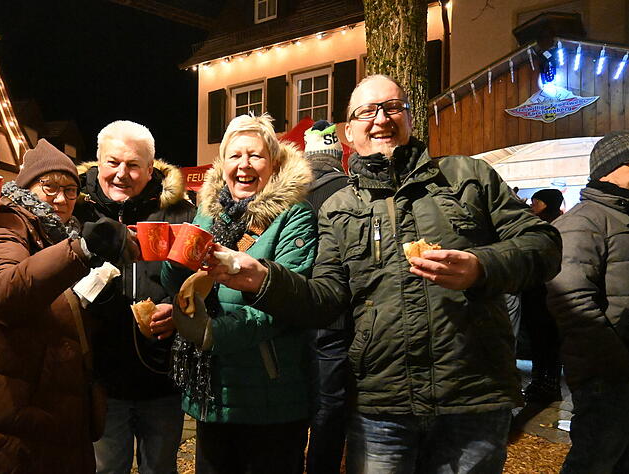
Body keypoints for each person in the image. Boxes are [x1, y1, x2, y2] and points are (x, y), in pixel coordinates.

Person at [206, 75, 562, 474]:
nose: (380, 119)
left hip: (472, 395)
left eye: (392, 107)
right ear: (349, 131)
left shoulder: (467, 176)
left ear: (410, 118)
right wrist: (264, 279)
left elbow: (544, 245)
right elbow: (325, 299)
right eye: (366, 111)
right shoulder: (339, 207)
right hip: (383, 403)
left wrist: (481, 267)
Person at [0, 139, 137, 473]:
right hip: (1, 419)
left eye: (70, 190)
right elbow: (1, 294)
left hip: (45, 414)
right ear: (27, 187)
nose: (61, 199)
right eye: (49, 187)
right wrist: (82, 249)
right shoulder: (2, 224)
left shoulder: (57, 232)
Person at [161, 113, 317, 473]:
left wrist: (211, 333)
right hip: (212, 394)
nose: (244, 164)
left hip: (270, 397)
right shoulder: (207, 214)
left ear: (273, 163)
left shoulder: (293, 215)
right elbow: (180, 286)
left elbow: (285, 302)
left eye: (255, 155)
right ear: (223, 164)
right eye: (235, 155)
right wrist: (174, 261)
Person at [77, 121, 195, 474]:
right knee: (106, 469)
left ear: (150, 168)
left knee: (160, 468)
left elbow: (202, 280)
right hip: (100, 378)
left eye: (133, 165)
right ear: (98, 161)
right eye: (113, 162)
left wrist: (178, 309)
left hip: (161, 377)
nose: (121, 174)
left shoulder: (180, 214)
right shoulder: (76, 210)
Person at [546, 130, 629, 474]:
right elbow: (572, 300)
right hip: (606, 372)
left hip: (620, 368)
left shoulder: (623, 216)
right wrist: (617, 363)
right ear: (611, 169)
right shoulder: (583, 221)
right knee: (596, 458)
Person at [302, 120, 352, 474]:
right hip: (338, 317)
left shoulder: (290, 195)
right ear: (338, 156)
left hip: (295, 310)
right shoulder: (354, 191)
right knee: (331, 406)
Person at [521, 188, 565, 404]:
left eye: (535, 202)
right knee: (538, 340)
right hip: (534, 292)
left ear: (546, 204)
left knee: (548, 340)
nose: (531, 206)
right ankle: (539, 382)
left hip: (548, 292)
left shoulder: (554, 228)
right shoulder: (536, 225)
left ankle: (550, 384)